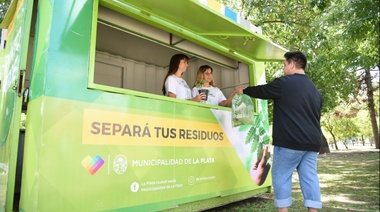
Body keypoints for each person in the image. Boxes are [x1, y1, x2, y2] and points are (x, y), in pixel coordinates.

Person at [236, 51, 323, 212]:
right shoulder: (315, 90)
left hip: (290, 142)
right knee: (310, 178)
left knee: (281, 177)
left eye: (284, 65)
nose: (283, 68)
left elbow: (263, 91)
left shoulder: (284, 83)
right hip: (312, 143)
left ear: (292, 64)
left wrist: (244, 91)